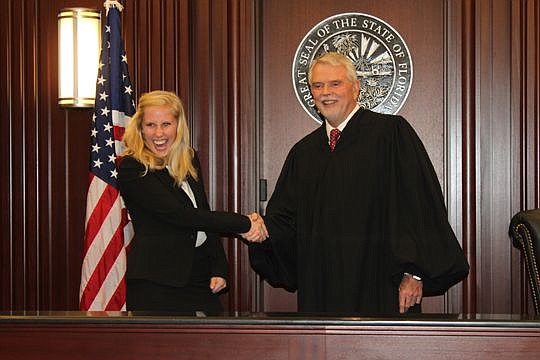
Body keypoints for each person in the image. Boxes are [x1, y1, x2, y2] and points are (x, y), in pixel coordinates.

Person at [248, 52, 469, 315]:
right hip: (322, 292)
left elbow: (420, 207)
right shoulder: (303, 153)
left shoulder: (391, 135)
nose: (326, 92)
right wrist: (260, 229)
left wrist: (415, 273)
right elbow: (286, 220)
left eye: (335, 84)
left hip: (383, 288)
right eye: (317, 86)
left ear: (356, 87)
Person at [118, 90, 267, 313]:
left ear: (179, 126)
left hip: (198, 277)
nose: (159, 133)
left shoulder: (188, 159)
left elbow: (202, 213)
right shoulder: (134, 167)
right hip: (157, 283)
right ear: (140, 128)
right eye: (150, 125)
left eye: (166, 124)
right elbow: (182, 216)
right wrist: (243, 223)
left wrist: (219, 267)